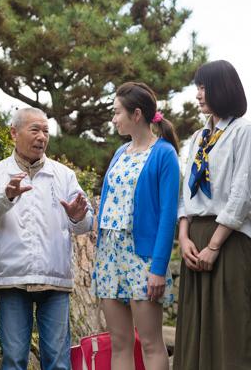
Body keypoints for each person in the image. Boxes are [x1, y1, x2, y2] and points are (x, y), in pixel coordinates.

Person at [0, 107, 93, 370]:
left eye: (46, 131)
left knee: (58, 362)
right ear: (14, 132)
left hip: (55, 279)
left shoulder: (64, 175)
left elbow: (86, 223)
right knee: (13, 360)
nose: (42, 137)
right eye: (34, 129)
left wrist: (78, 217)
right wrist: (6, 196)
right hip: (12, 279)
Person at [173, 60, 251, 370]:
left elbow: (242, 194)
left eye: (204, 87)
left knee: (232, 328)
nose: (199, 94)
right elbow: (186, 193)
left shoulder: (246, 132)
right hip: (196, 238)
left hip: (229, 239)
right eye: (197, 87)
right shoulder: (197, 139)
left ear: (223, 88)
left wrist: (214, 246)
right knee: (194, 331)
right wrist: (184, 236)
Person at [91, 82, 180, 370]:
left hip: (142, 257)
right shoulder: (119, 152)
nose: (113, 119)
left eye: (117, 112)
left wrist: (157, 268)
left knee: (152, 343)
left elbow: (168, 216)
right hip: (109, 255)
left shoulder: (164, 154)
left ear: (136, 114)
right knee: (120, 343)